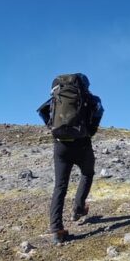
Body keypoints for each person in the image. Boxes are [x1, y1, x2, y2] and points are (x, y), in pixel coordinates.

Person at [37, 73, 104, 244]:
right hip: (82, 144)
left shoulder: (54, 100)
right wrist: (89, 131)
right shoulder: (90, 99)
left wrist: (53, 128)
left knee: (60, 186)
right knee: (87, 173)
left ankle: (56, 230)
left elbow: (42, 111)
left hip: (61, 146)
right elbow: (99, 112)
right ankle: (78, 208)